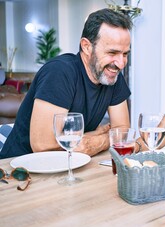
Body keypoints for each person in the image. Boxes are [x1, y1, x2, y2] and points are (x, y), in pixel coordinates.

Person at [0, 8, 132, 159]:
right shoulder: (60, 72)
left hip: (72, 166)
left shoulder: (112, 74)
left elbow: (122, 130)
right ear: (86, 46)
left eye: (125, 54)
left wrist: (94, 141)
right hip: (20, 169)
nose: (121, 63)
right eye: (112, 53)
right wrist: (97, 139)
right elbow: (43, 146)